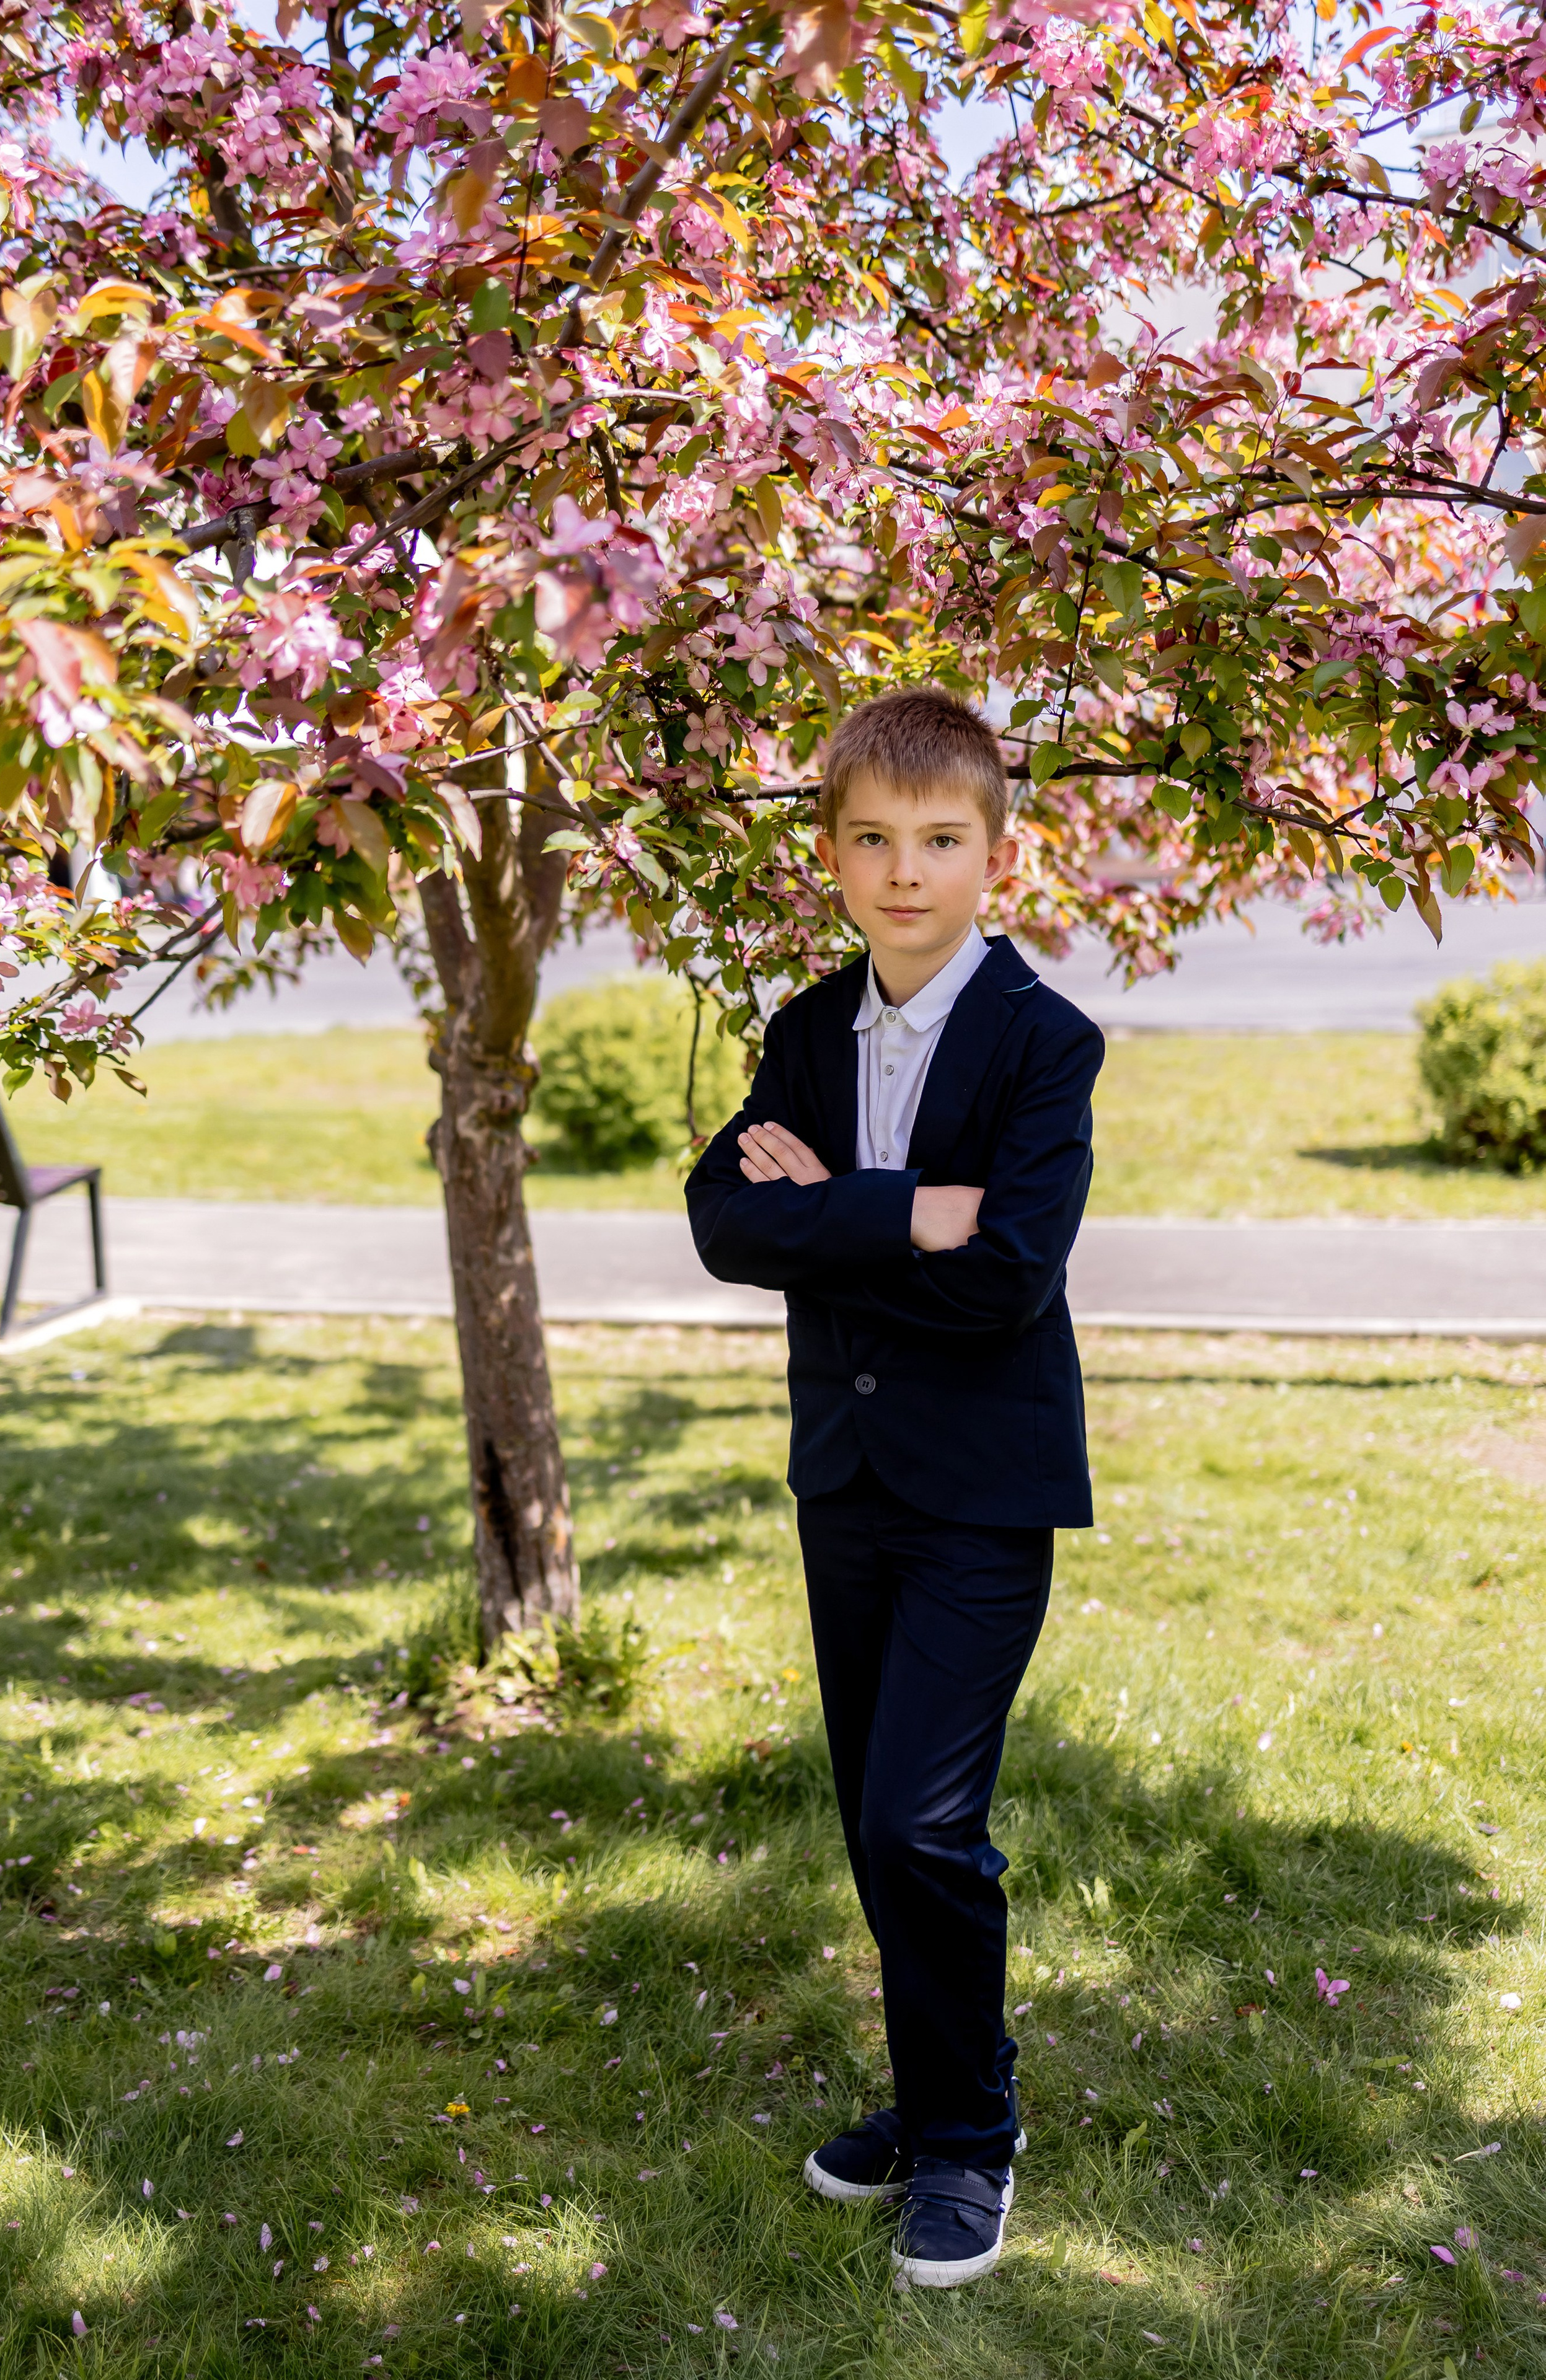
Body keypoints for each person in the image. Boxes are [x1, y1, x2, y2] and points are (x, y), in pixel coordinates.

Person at [684, 685, 1104, 2288]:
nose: (905, 871)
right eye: (873, 840)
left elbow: (1006, 1279)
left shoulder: (1042, 1042)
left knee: (924, 1822)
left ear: (995, 852)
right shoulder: (804, 1031)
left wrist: (842, 1219)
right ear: (832, 854)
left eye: (940, 840)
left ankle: (974, 2137)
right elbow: (724, 1222)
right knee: (875, 1824)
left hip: (984, 1488)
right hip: (845, 1477)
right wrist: (901, 1209)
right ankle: (930, 2099)